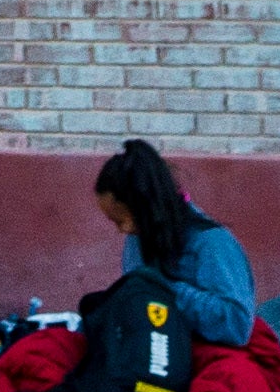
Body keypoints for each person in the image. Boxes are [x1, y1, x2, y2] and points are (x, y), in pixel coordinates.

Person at [91, 139, 260, 348]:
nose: (122, 230)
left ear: (147, 208)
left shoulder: (212, 242)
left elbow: (236, 326)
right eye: (114, 222)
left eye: (122, 220)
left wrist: (162, 289)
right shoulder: (137, 237)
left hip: (209, 351)